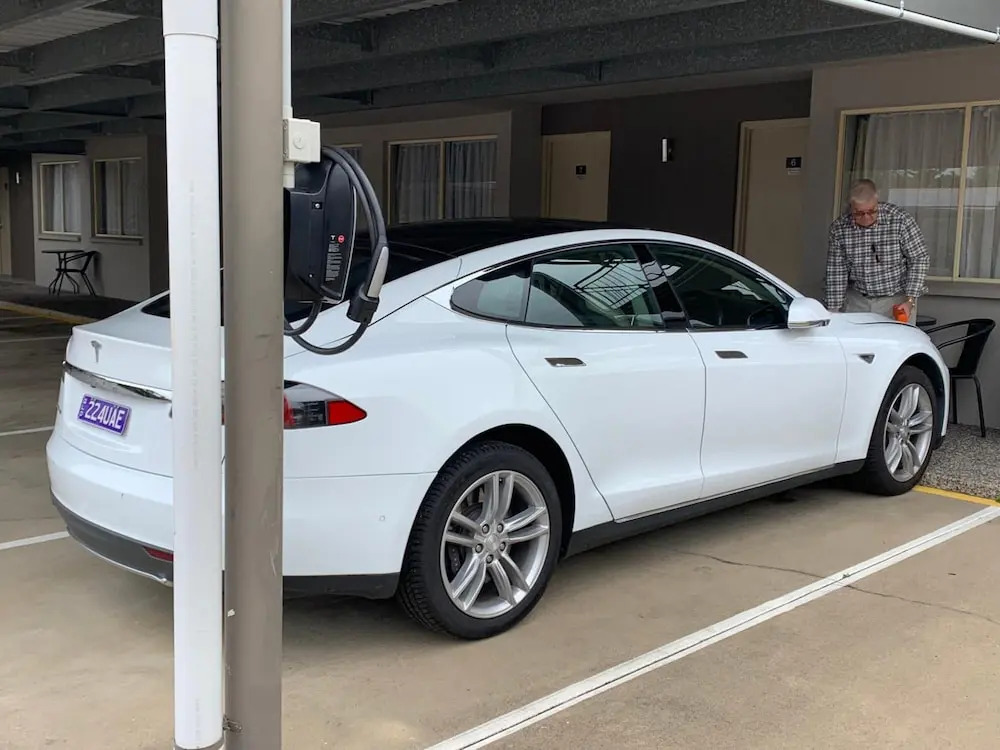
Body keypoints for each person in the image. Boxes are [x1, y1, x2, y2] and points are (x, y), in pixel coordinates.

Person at [824, 179, 929, 324]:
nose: (866, 217)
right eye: (859, 213)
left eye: (871, 211)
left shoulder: (900, 220)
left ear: (877, 202)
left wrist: (910, 300)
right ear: (851, 207)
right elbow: (836, 271)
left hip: (896, 301)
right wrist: (833, 311)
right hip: (857, 300)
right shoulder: (839, 228)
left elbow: (919, 259)